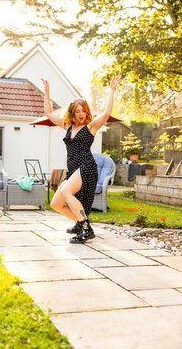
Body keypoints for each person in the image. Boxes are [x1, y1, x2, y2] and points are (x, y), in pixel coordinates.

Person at [41, 74, 122, 244]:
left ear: (87, 112)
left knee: (65, 191)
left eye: (83, 111)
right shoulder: (68, 126)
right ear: (72, 112)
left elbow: (107, 112)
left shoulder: (90, 127)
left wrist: (112, 90)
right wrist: (47, 91)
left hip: (86, 166)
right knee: (56, 203)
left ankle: (86, 229)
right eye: (77, 111)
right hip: (73, 170)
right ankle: (80, 223)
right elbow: (48, 112)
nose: (81, 114)